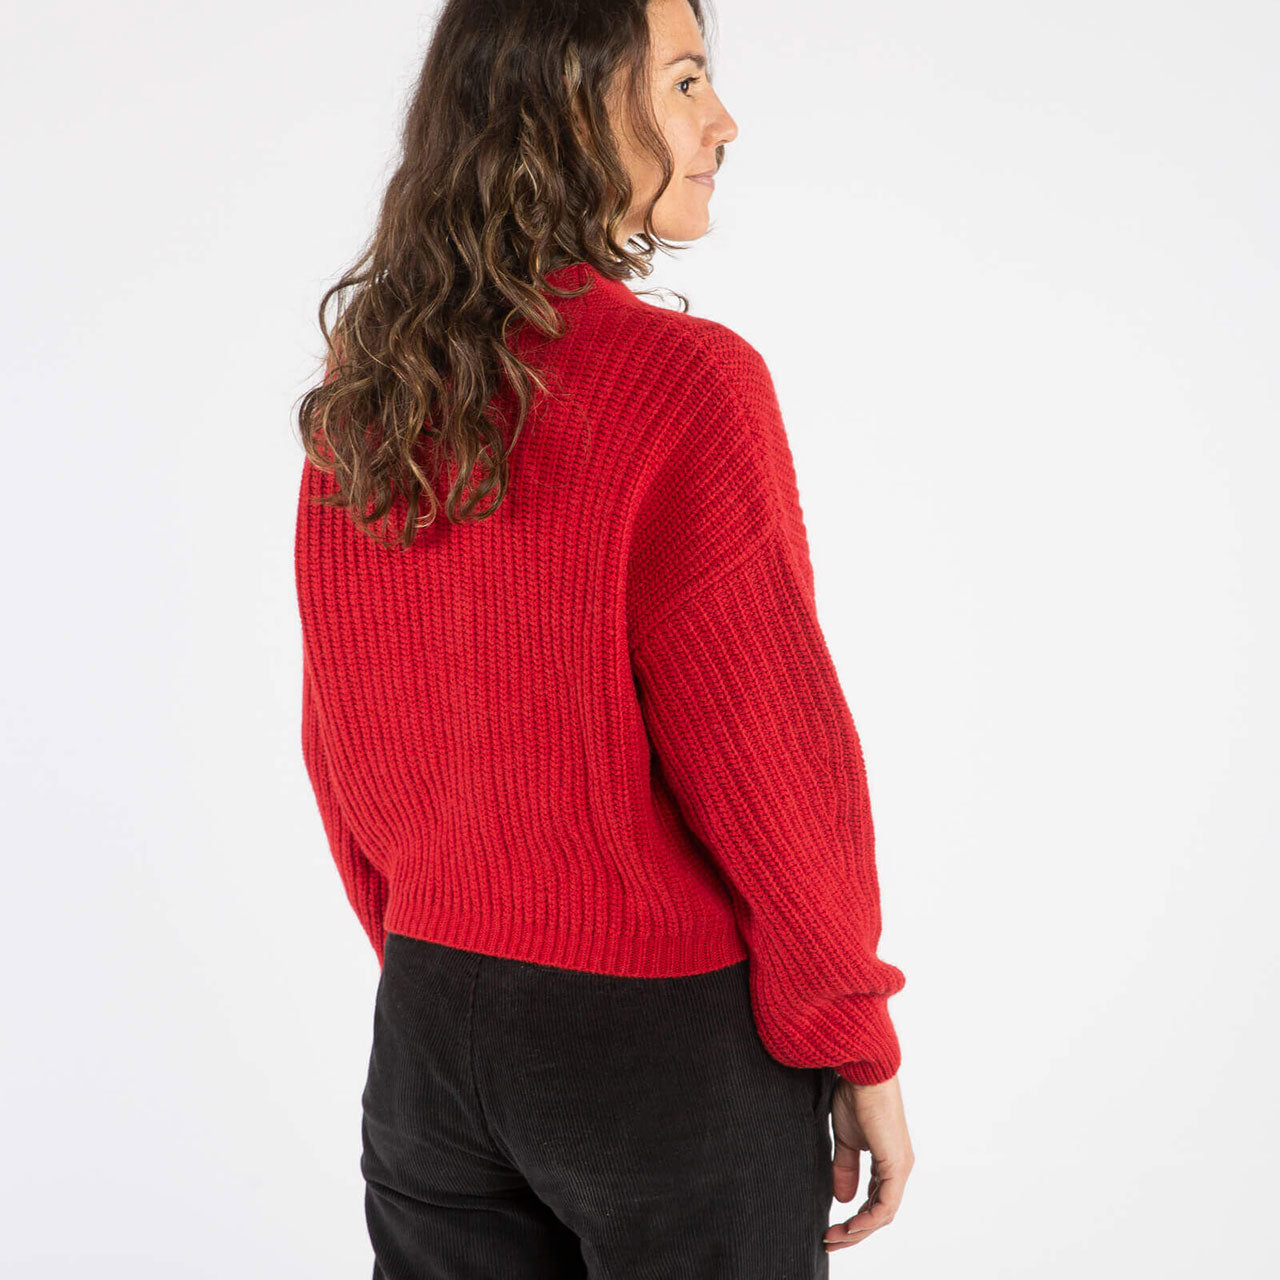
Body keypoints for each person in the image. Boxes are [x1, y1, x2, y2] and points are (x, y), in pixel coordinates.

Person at [293, 0, 913, 1274]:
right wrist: (850, 1032)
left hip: (430, 1026)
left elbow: (344, 739)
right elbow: (765, 756)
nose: (720, 122)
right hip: (658, 1046)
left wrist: (438, 959)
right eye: (683, 81)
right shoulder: (686, 385)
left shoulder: (379, 378)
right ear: (573, 105)